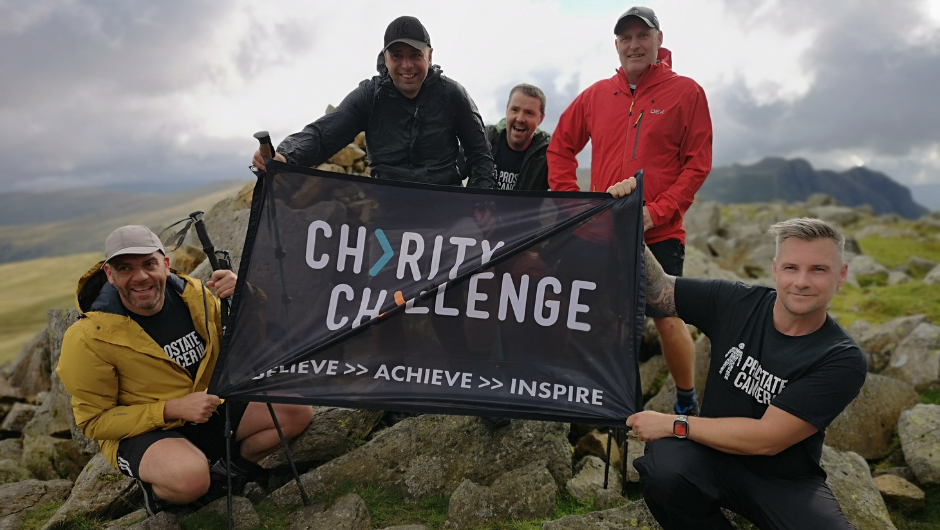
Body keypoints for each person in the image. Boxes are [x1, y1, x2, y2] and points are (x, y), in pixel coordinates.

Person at [609, 179, 865, 529]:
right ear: (775, 269)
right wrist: (628, 224)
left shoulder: (841, 357)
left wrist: (673, 423)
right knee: (663, 466)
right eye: (791, 268)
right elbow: (659, 293)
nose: (802, 281)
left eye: (818, 269)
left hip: (784, 481)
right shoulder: (736, 302)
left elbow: (767, 439)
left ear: (841, 276)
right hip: (710, 457)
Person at [57, 225, 313, 515]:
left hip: (211, 408)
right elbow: (94, 422)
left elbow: (250, 341)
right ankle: (165, 494)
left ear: (166, 265)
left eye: (149, 264)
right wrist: (171, 409)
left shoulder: (195, 295)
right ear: (110, 275)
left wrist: (247, 296)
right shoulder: (88, 337)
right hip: (148, 430)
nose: (140, 276)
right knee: (189, 479)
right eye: (125, 268)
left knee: (296, 411)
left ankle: (226, 475)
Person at [548, 6, 712, 416]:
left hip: (660, 232)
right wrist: (575, 206)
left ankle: (687, 402)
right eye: (626, 38)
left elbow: (697, 163)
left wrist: (658, 212)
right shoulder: (598, 95)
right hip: (604, 231)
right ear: (617, 45)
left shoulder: (686, 92)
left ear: (659, 39)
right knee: (596, 317)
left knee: (668, 317)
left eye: (643, 35)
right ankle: (592, 402)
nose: (634, 44)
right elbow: (560, 147)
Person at [252, 15, 496, 189]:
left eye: (415, 55)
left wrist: (480, 202)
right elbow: (323, 135)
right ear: (386, 58)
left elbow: (480, 155)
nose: (407, 65)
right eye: (397, 56)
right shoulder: (370, 96)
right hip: (387, 210)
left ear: (430, 56)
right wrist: (286, 155)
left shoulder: (454, 94)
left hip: (446, 208)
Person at [461, 83, 551, 190]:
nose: (520, 119)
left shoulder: (548, 152)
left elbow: (564, 191)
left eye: (529, 113)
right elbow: (449, 173)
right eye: (515, 110)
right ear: (507, 111)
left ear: (541, 119)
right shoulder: (483, 139)